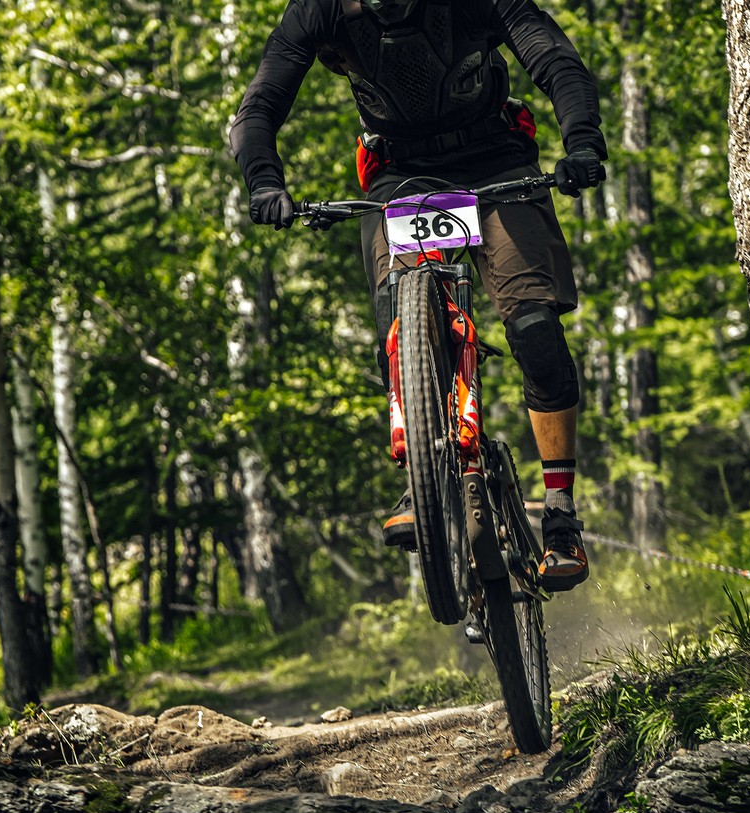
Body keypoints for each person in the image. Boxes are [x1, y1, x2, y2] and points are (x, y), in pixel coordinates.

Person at [230, 0, 605, 592]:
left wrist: (581, 142)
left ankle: (559, 513)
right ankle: (425, 476)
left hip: (496, 157)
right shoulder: (320, 11)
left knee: (533, 326)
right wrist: (264, 181)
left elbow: (555, 60)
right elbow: (260, 106)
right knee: (396, 323)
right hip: (400, 173)